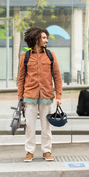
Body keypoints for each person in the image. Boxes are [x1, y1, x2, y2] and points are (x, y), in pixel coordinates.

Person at [17, 26, 63, 162]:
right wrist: (20, 98)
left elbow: (57, 77)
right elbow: (20, 79)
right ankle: (29, 152)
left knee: (46, 127)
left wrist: (59, 96)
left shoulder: (50, 55)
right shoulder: (25, 57)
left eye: (46, 38)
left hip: (47, 95)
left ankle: (46, 151)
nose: (46, 40)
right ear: (36, 39)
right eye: (43, 38)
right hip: (29, 96)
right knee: (30, 127)